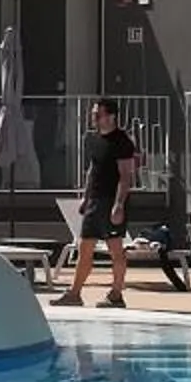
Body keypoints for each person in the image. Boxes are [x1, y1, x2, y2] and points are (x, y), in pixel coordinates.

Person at [52, 98, 140, 310]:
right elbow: (93, 170)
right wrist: (85, 196)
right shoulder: (93, 139)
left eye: (97, 114)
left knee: (115, 250)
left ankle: (116, 294)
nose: (94, 118)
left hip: (111, 201)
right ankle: (74, 293)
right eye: (93, 114)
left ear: (111, 116)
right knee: (84, 248)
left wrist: (119, 205)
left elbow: (125, 176)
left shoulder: (122, 142)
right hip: (95, 201)